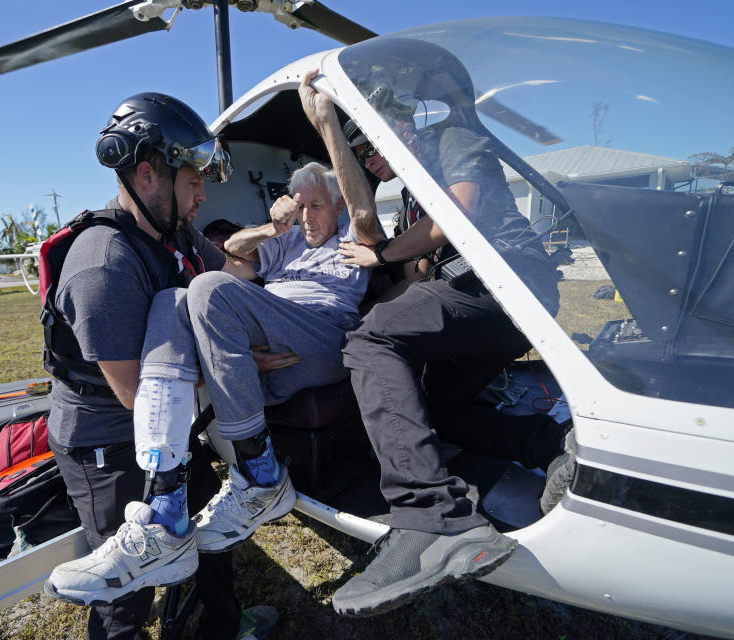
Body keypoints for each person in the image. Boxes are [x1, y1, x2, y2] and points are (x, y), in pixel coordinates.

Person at [297, 51, 565, 618]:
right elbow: (417, 279)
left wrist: (379, 260)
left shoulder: (449, 139)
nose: (370, 163)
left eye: (370, 148)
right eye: (362, 157)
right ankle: (556, 449)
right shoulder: (414, 190)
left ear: (397, 127)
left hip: (506, 282)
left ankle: (430, 517)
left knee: (372, 342)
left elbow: (456, 216)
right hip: (494, 297)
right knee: (435, 401)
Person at [45, 160, 370, 604]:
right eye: (303, 206)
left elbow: (365, 215)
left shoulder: (354, 236)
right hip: (263, 341)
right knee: (172, 299)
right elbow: (236, 253)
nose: (309, 216)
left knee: (206, 289)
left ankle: (261, 475)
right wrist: (274, 228)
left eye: (318, 206)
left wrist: (326, 119)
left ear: (339, 207)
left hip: (320, 334)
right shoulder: (289, 239)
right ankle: (165, 513)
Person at [40, 92, 276, 640]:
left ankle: (223, 627)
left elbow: (232, 279)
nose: (202, 197)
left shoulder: (175, 236)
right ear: (148, 175)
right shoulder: (104, 264)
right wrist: (243, 366)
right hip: (108, 441)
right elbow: (133, 393)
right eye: (193, 183)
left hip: (168, 428)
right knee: (128, 585)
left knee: (211, 536)